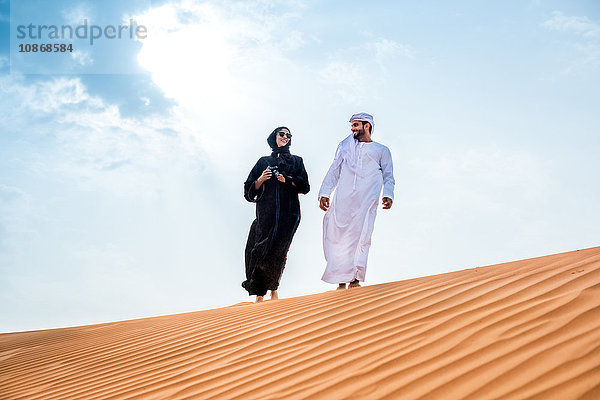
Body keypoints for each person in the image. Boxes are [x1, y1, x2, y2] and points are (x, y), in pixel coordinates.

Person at [318, 112, 395, 289]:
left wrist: (388, 194)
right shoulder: (345, 147)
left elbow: (388, 175)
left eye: (356, 125)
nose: (352, 128)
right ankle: (341, 279)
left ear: (367, 126)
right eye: (352, 125)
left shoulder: (382, 150)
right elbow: (334, 170)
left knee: (362, 235)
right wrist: (325, 193)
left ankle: (355, 278)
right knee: (337, 236)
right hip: (344, 199)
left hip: (367, 199)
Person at [243, 127, 310, 302]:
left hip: (289, 214)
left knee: (279, 251)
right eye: (282, 134)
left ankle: (273, 289)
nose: (285, 137)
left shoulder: (297, 161)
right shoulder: (263, 162)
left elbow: (305, 187)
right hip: (266, 213)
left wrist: (288, 180)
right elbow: (248, 191)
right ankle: (259, 293)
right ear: (274, 137)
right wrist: (261, 180)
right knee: (259, 249)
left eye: (289, 135)